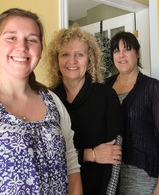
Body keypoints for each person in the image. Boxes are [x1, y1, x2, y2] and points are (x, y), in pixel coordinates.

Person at [0, 8, 82, 195]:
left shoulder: (53, 102)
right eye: (11, 37)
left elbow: (71, 169)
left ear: (40, 49)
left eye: (32, 39)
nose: (22, 46)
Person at [45, 26, 123, 195]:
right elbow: (46, 155)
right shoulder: (46, 99)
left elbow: (114, 156)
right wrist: (91, 154)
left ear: (90, 59)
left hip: (99, 189)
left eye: (79, 54)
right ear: (56, 59)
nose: (72, 61)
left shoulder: (106, 96)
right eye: (65, 54)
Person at [106, 31, 159, 195]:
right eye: (116, 51)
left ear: (137, 52)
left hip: (141, 174)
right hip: (109, 172)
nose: (121, 55)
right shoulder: (105, 86)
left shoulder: (152, 87)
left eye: (126, 49)